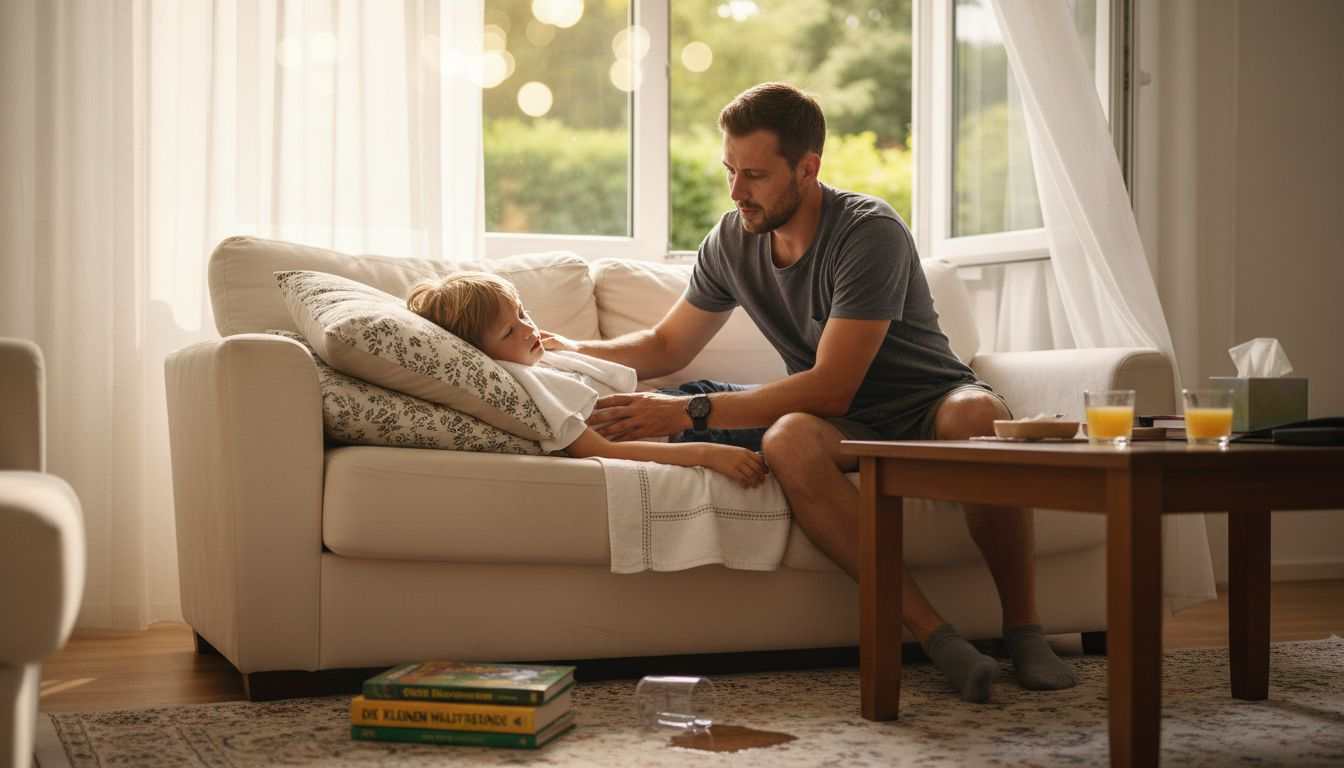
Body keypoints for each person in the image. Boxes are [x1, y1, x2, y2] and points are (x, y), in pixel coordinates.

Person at [540, 82, 1077, 703]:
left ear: (807, 168)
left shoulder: (869, 230)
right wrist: (568, 348)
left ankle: (1025, 630)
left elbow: (833, 385)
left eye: (754, 175)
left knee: (978, 413)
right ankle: (938, 639)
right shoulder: (732, 239)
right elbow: (666, 346)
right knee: (789, 439)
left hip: (929, 403)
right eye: (730, 170)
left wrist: (687, 410)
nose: (736, 191)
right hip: (846, 424)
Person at [405, 271, 769, 489]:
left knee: (800, 401)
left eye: (522, 313)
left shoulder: (539, 362)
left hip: (690, 399)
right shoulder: (527, 390)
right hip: (695, 431)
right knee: (801, 419)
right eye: (509, 331)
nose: (530, 329)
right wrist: (707, 454)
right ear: (480, 354)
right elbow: (604, 451)